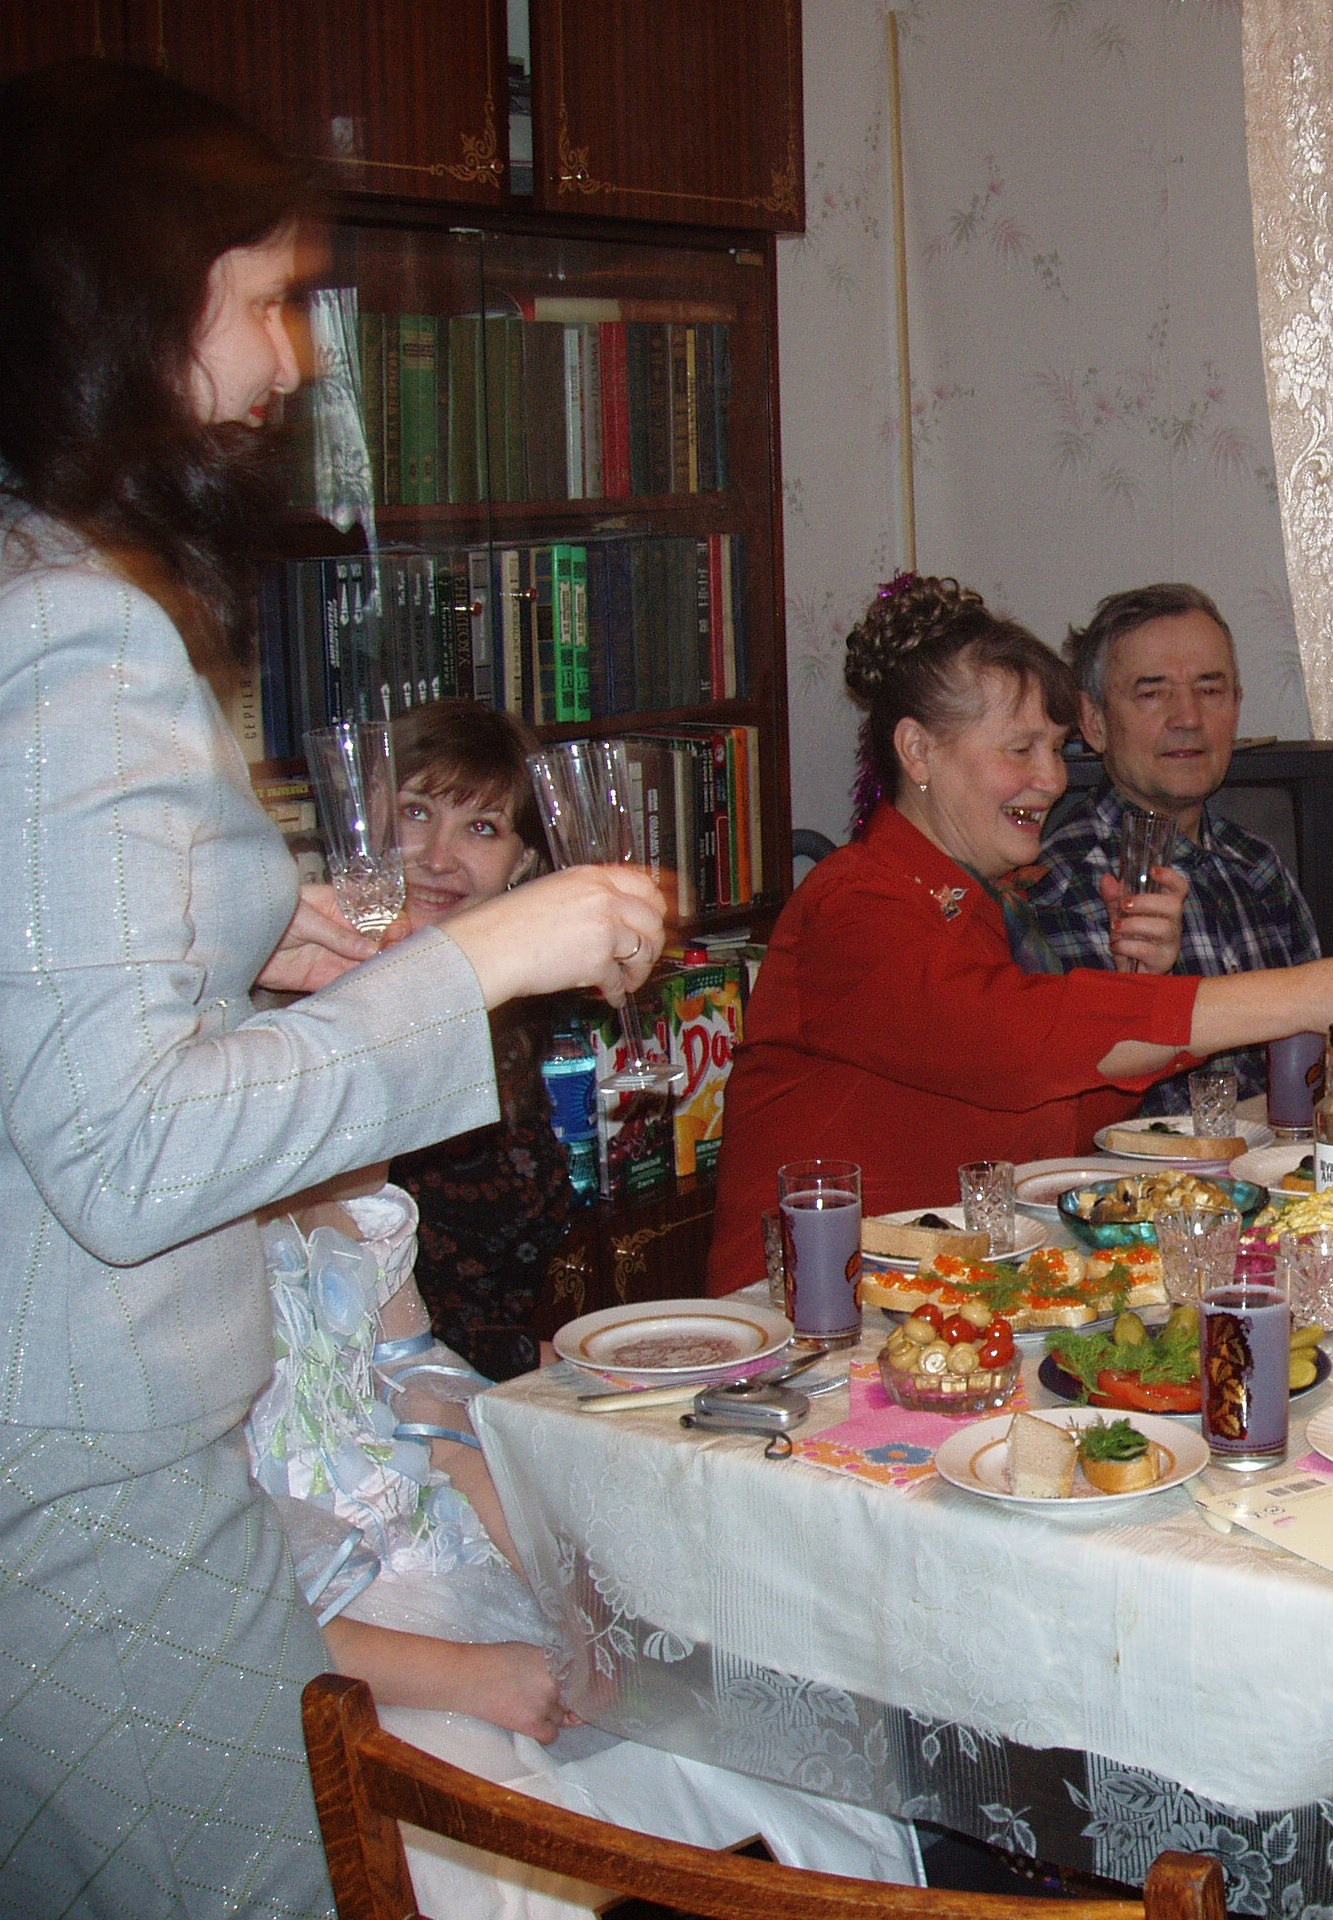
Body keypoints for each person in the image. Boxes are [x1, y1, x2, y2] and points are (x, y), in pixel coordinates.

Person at [0, 61, 663, 1919]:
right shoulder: (72, 628)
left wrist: (239, 934)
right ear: (134, 300)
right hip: (85, 1462)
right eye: (269, 297)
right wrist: (480, 956)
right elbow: (130, 1154)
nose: (295, 362)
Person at [706, 575, 1333, 1288]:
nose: (1051, 779)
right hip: (806, 1306)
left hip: (945, 1286)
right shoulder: (853, 902)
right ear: (918, 752)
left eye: (1055, 747)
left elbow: (1060, 1127)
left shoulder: (981, 902)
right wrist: (1312, 993)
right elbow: (1012, 1043)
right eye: (1021, 749)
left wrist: (1136, 983)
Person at [251, 1188, 919, 1916]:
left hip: (452, 1562)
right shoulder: (190, 1281)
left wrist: (570, 1601)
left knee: (755, 1732)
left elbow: (442, 1437)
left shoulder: (358, 1206)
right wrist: (469, 1675)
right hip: (338, 1654)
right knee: (509, 1842)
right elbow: (231, 1609)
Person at [1012, 583, 1322, 1114]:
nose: (1188, 718)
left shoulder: (1258, 867)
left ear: (1237, 706)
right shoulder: (1058, 886)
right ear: (1094, 723)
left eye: (1210, 689)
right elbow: (1090, 1114)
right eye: (1153, 693)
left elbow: (1318, 1065)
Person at [385, 699, 575, 1380]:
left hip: (480, 1382)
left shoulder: (510, 1019)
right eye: (416, 812)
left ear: (523, 861)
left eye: (482, 827)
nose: (437, 858)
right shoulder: (322, 1018)